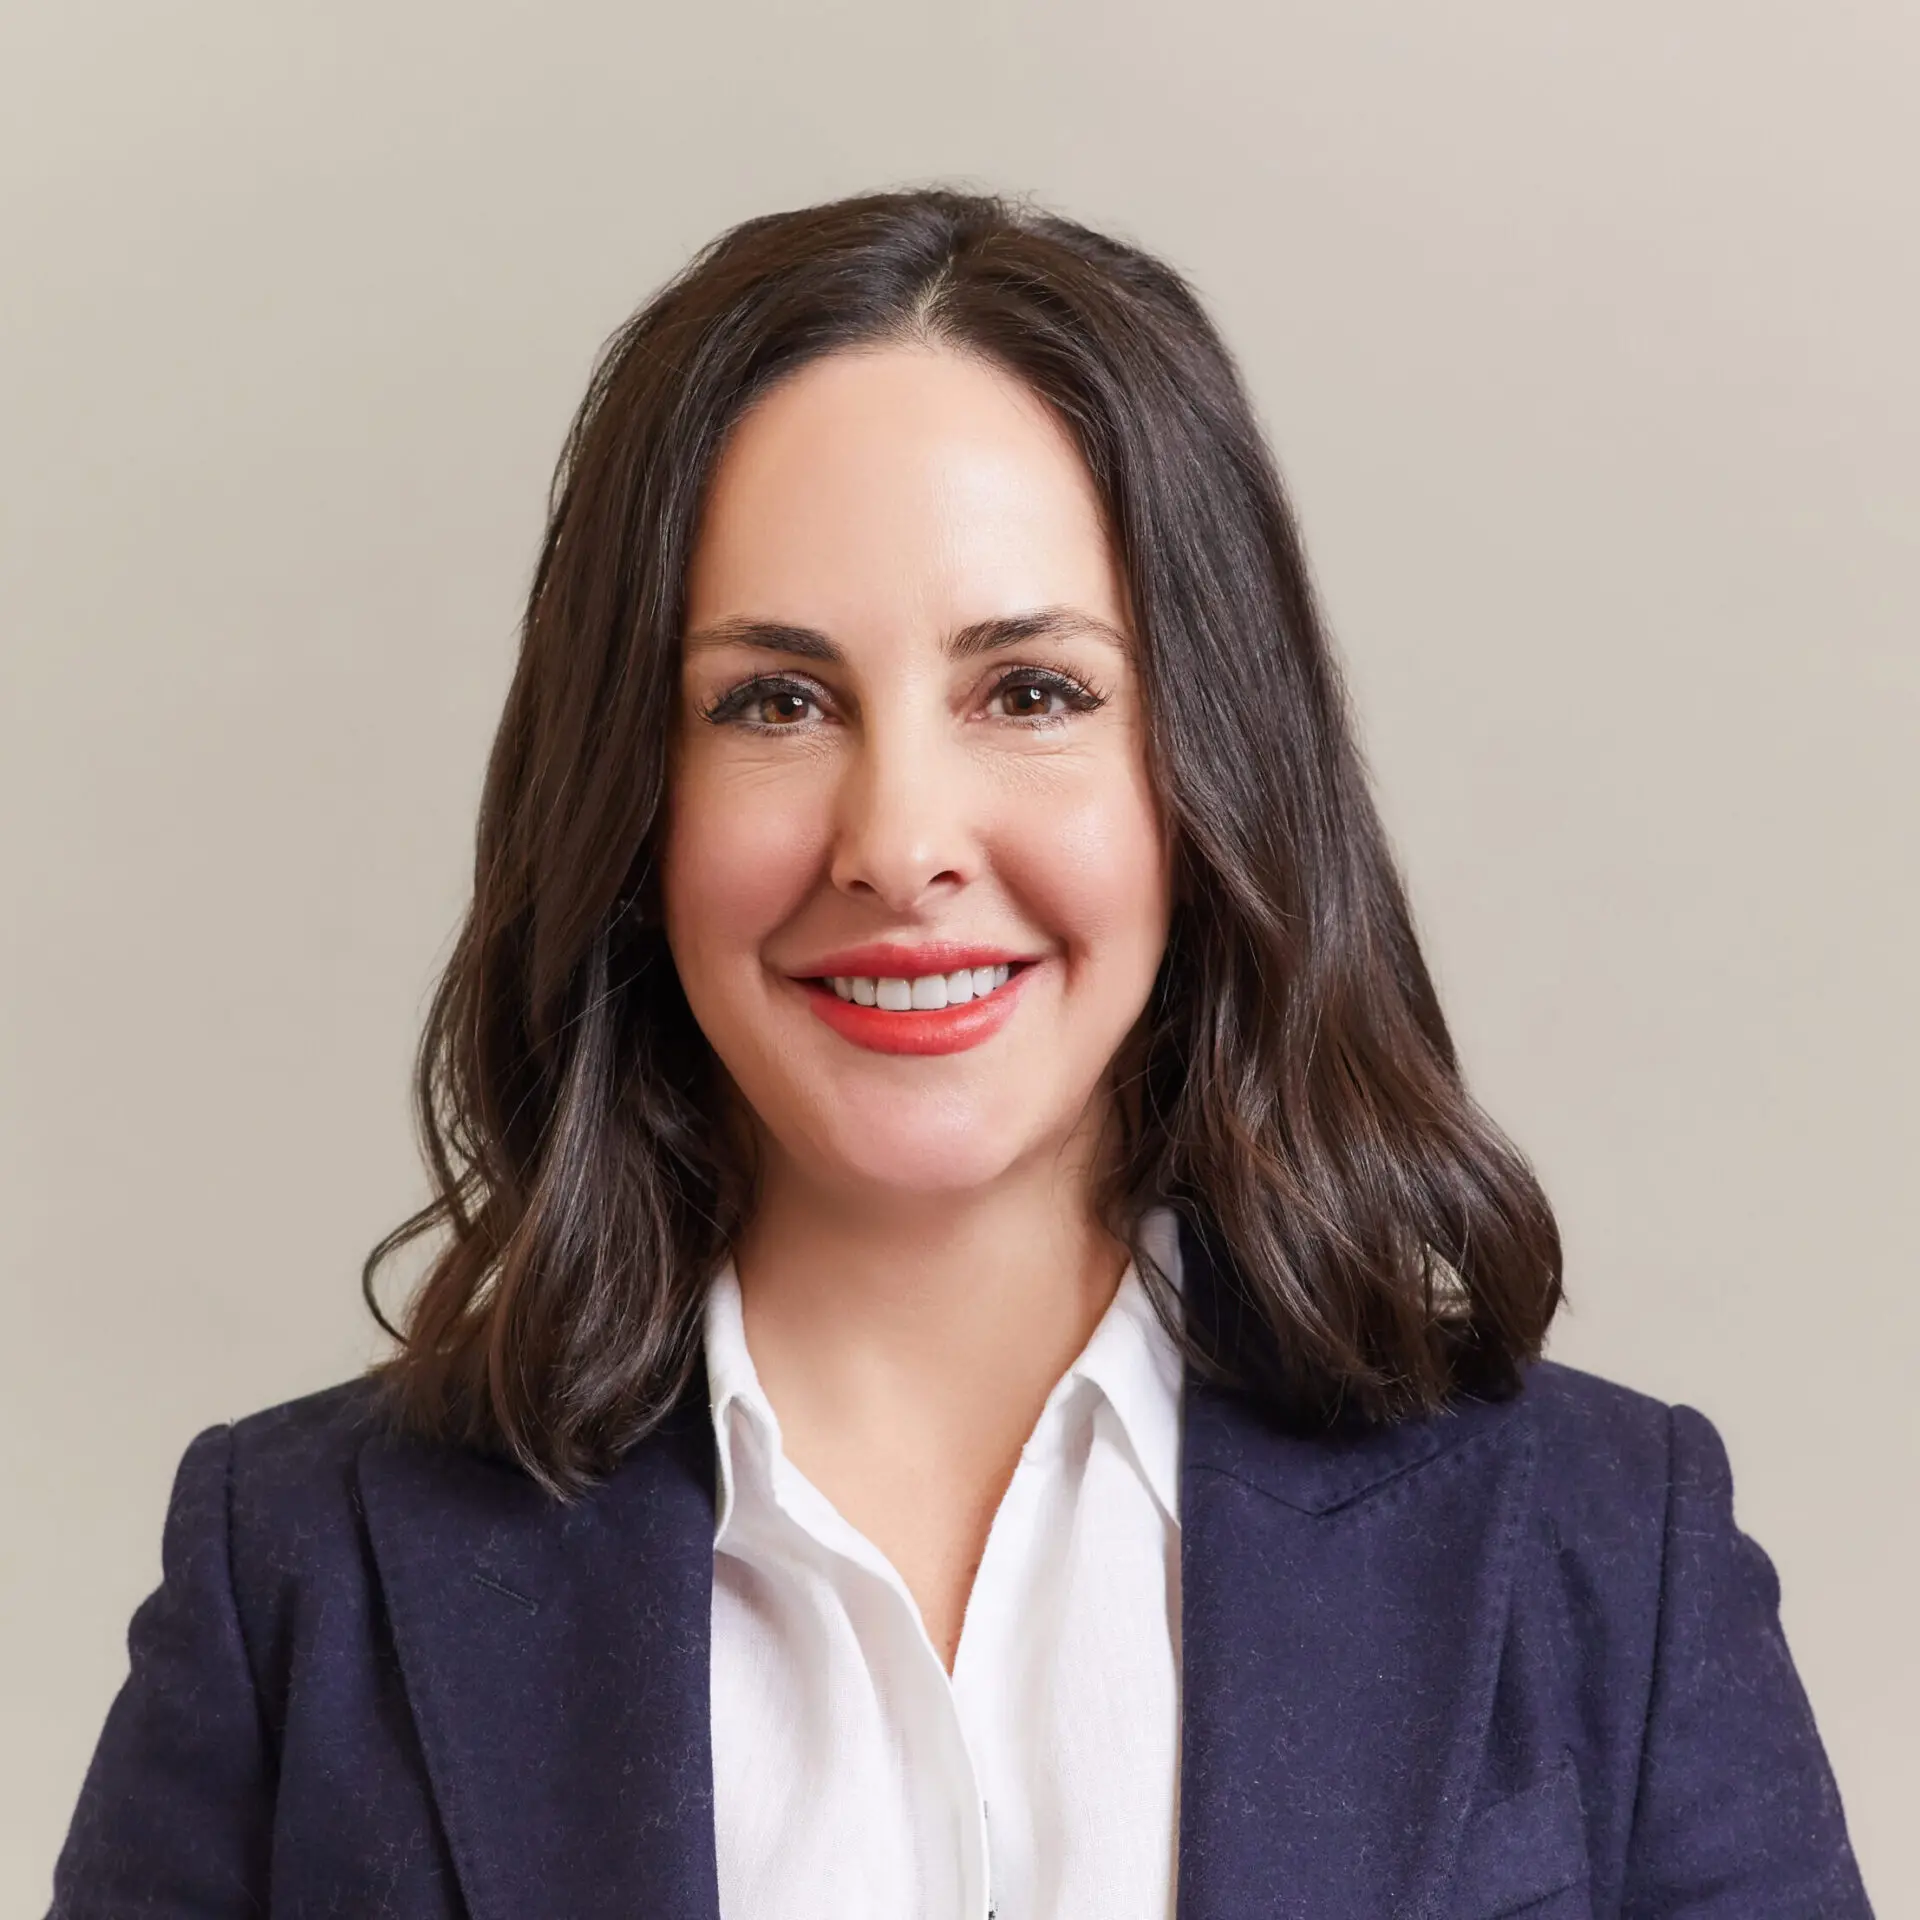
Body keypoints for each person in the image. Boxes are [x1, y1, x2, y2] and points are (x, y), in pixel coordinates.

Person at [47, 187, 1872, 1920]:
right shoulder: (302, 1570)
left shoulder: (1599, 1551)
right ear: (633, 798)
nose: (898, 838)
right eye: (772, 701)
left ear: (1206, 774)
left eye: (1033, 692)